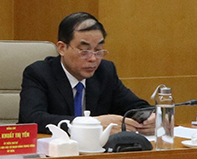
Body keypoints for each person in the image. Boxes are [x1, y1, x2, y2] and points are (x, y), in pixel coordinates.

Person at [19, 12, 154, 134]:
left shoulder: (105, 71)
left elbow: (136, 107)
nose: (93, 58)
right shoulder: (39, 73)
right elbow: (32, 119)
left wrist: (151, 118)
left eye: (99, 50)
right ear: (62, 48)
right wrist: (91, 124)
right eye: (84, 51)